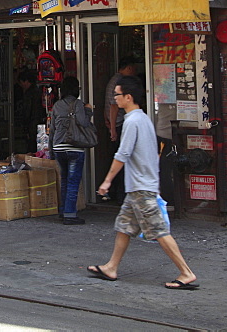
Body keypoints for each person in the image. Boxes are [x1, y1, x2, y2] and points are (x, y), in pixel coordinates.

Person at [87, 75, 199, 290]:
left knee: (159, 231)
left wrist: (107, 181)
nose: (115, 99)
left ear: (128, 97)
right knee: (124, 227)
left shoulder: (132, 121)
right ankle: (111, 267)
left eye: (117, 95)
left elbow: (123, 154)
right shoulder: (144, 119)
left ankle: (186, 272)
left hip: (141, 188)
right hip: (139, 186)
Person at [50, 76, 93, 225]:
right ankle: (70, 214)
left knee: (65, 179)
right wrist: (88, 111)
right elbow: (83, 123)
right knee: (73, 181)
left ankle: (63, 210)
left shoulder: (56, 105)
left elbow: (52, 129)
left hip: (58, 147)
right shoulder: (78, 104)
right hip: (74, 147)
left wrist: (51, 151)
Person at [103, 58, 137, 201]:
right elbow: (113, 106)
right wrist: (113, 129)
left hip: (114, 123)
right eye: (133, 68)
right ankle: (119, 193)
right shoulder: (119, 81)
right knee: (121, 157)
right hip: (117, 124)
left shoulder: (114, 79)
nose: (134, 72)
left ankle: (116, 192)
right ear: (128, 68)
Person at [16, 70, 44, 151]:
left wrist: (25, 127)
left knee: (31, 146)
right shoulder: (38, 91)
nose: (21, 86)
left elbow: (27, 111)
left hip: (32, 124)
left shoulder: (29, 94)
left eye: (21, 83)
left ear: (26, 81)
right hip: (39, 122)